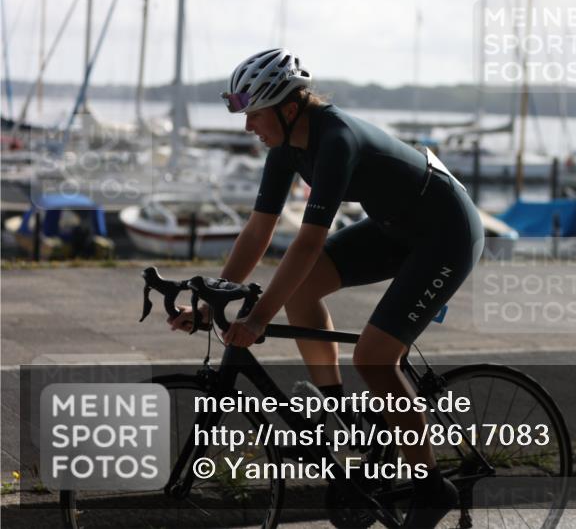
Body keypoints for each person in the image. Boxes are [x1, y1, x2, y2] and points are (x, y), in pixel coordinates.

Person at [168, 48, 484, 528]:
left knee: (375, 356)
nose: (248, 126)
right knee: (300, 290)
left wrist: (256, 319)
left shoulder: (336, 139)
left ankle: (429, 487)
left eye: (254, 114)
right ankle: (341, 415)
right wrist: (214, 302)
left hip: (446, 232)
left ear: (288, 108)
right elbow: (258, 231)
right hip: (396, 226)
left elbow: (309, 242)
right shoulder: (285, 149)